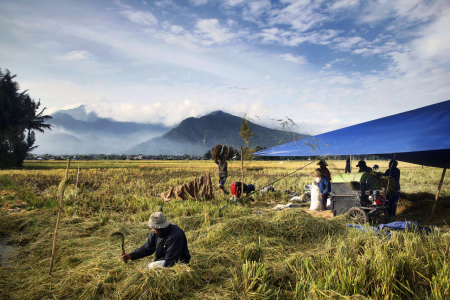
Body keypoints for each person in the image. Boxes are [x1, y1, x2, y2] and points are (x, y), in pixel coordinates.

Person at [121, 212, 191, 269]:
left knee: (150, 267)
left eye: (154, 228)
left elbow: (172, 259)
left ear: (160, 227)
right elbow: (147, 248)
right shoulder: (157, 232)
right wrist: (131, 255)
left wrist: (160, 274)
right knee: (149, 267)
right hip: (165, 259)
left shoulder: (175, 236)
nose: (152, 230)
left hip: (178, 262)